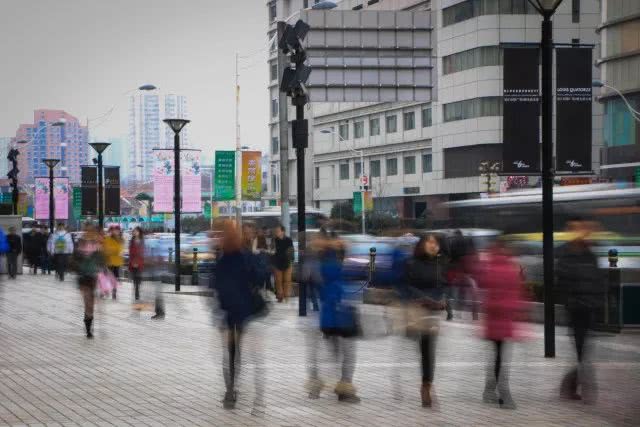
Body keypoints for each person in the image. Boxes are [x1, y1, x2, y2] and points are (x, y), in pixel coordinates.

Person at [212, 221, 265, 409]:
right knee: (236, 351)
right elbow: (259, 277)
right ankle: (233, 386)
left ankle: (230, 390)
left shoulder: (222, 259)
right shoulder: (245, 257)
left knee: (229, 352)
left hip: (227, 311)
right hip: (241, 310)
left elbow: (215, 285)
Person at [309, 231, 360, 402]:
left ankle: (325, 385)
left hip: (330, 314)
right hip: (340, 312)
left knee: (336, 351)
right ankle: (344, 387)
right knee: (347, 351)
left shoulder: (321, 260)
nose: (341, 241)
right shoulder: (332, 262)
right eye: (337, 240)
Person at [475, 239, 525, 409]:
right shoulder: (511, 269)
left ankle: (490, 390)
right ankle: (502, 393)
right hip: (503, 318)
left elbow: (485, 292)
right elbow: (516, 294)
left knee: (498, 356)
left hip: (495, 319)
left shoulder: (489, 267)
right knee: (501, 357)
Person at [557, 217, 602, 403]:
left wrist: (598, 300)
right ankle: (584, 387)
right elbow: (562, 281)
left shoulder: (590, 254)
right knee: (581, 350)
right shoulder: (566, 254)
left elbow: (598, 280)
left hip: (588, 308)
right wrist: (572, 299)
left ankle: (570, 386)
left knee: (583, 350)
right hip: (576, 309)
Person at [405, 234, 447, 407]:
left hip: (432, 312)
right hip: (416, 310)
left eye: (435, 242)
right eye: (429, 242)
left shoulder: (439, 264)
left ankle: (426, 385)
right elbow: (406, 285)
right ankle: (425, 383)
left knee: (428, 350)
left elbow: (443, 286)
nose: (433, 245)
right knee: (423, 348)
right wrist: (422, 297)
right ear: (422, 244)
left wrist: (442, 299)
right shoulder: (411, 263)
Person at [73, 223, 104, 338]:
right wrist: (81, 261)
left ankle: (88, 322)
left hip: (93, 276)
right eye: (87, 231)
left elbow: (102, 261)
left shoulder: (97, 244)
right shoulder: (80, 243)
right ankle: (88, 329)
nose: (89, 233)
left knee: (91, 303)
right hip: (82, 276)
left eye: (91, 231)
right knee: (87, 301)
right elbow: (74, 261)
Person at [272, 225, 294, 302]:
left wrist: (291, 260)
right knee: (278, 280)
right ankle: (280, 296)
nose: (276, 232)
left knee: (287, 280)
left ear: (283, 231)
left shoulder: (288, 240)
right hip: (277, 262)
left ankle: (287, 296)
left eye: (278, 231)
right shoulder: (274, 240)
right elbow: (272, 250)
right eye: (276, 231)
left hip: (287, 262)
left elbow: (291, 250)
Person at [103, 225, 124, 299]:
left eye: (117, 230)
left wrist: (114, 250)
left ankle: (114, 292)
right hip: (109, 261)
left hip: (117, 262)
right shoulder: (107, 239)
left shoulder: (121, 239)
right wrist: (115, 250)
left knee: (116, 278)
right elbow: (106, 249)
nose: (115, 232)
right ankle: (105, 290)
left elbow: (121, 250)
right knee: (108, 277)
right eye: (114, 230)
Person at [128, 227, 145, 301]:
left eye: (136, 231)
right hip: (133, 261)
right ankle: (136, 291)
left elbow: (143, 251)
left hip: (140, 261)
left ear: (139, 232)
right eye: (134, 231)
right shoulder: (131, 241)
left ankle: (137, 291)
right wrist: (133, 261)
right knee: (135, 278)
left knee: (138, 277)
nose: (135, 232)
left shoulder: (142, 241)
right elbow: (130, 252)